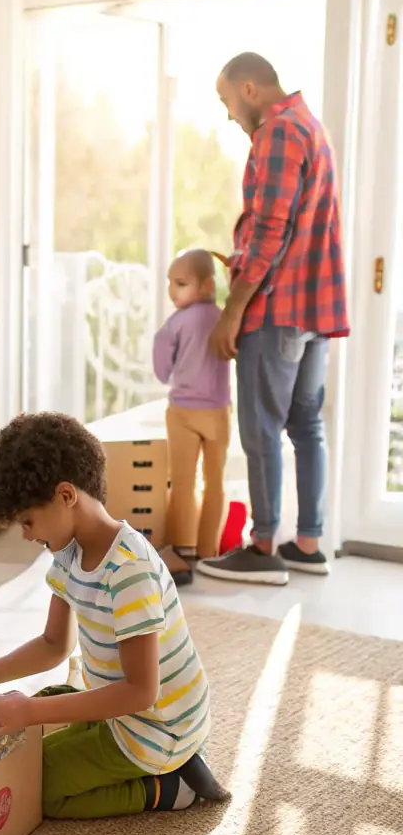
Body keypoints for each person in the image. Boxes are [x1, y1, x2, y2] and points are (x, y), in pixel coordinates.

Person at [0, 413, 229, 819]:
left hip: (157, 728)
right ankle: (90, 731)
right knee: (16, 733)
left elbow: (141, 692)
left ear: (65, 495)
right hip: (119, 711)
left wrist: (31, 713)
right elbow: (53, 645)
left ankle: (168, 788)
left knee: (30, 788)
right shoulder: (68, 555)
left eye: (28, 521)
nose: (27, 535)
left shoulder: (129, 571)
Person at [199, 53, 349, 586]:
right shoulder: (311, 126)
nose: (228, 114)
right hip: (313, 309)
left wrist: (231, 312)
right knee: (306, 425)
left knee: (260, 427)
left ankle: (263, 547)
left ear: (249, 89)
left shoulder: (279, 132)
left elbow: (269, 231)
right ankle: (307, 544)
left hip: (277, 307)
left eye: (226, 101)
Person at [151, 248, 231, 584]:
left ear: (206, 285)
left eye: (181, 283)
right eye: (170, 282)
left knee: (182, 482)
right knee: (215, 483)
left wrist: (170, 370)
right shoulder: (225, 319)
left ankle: (181, 550)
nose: (172, 290)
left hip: (183, 410)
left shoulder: (175, 323)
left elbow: (161, 367)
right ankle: (208, 550)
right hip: (218, 411)